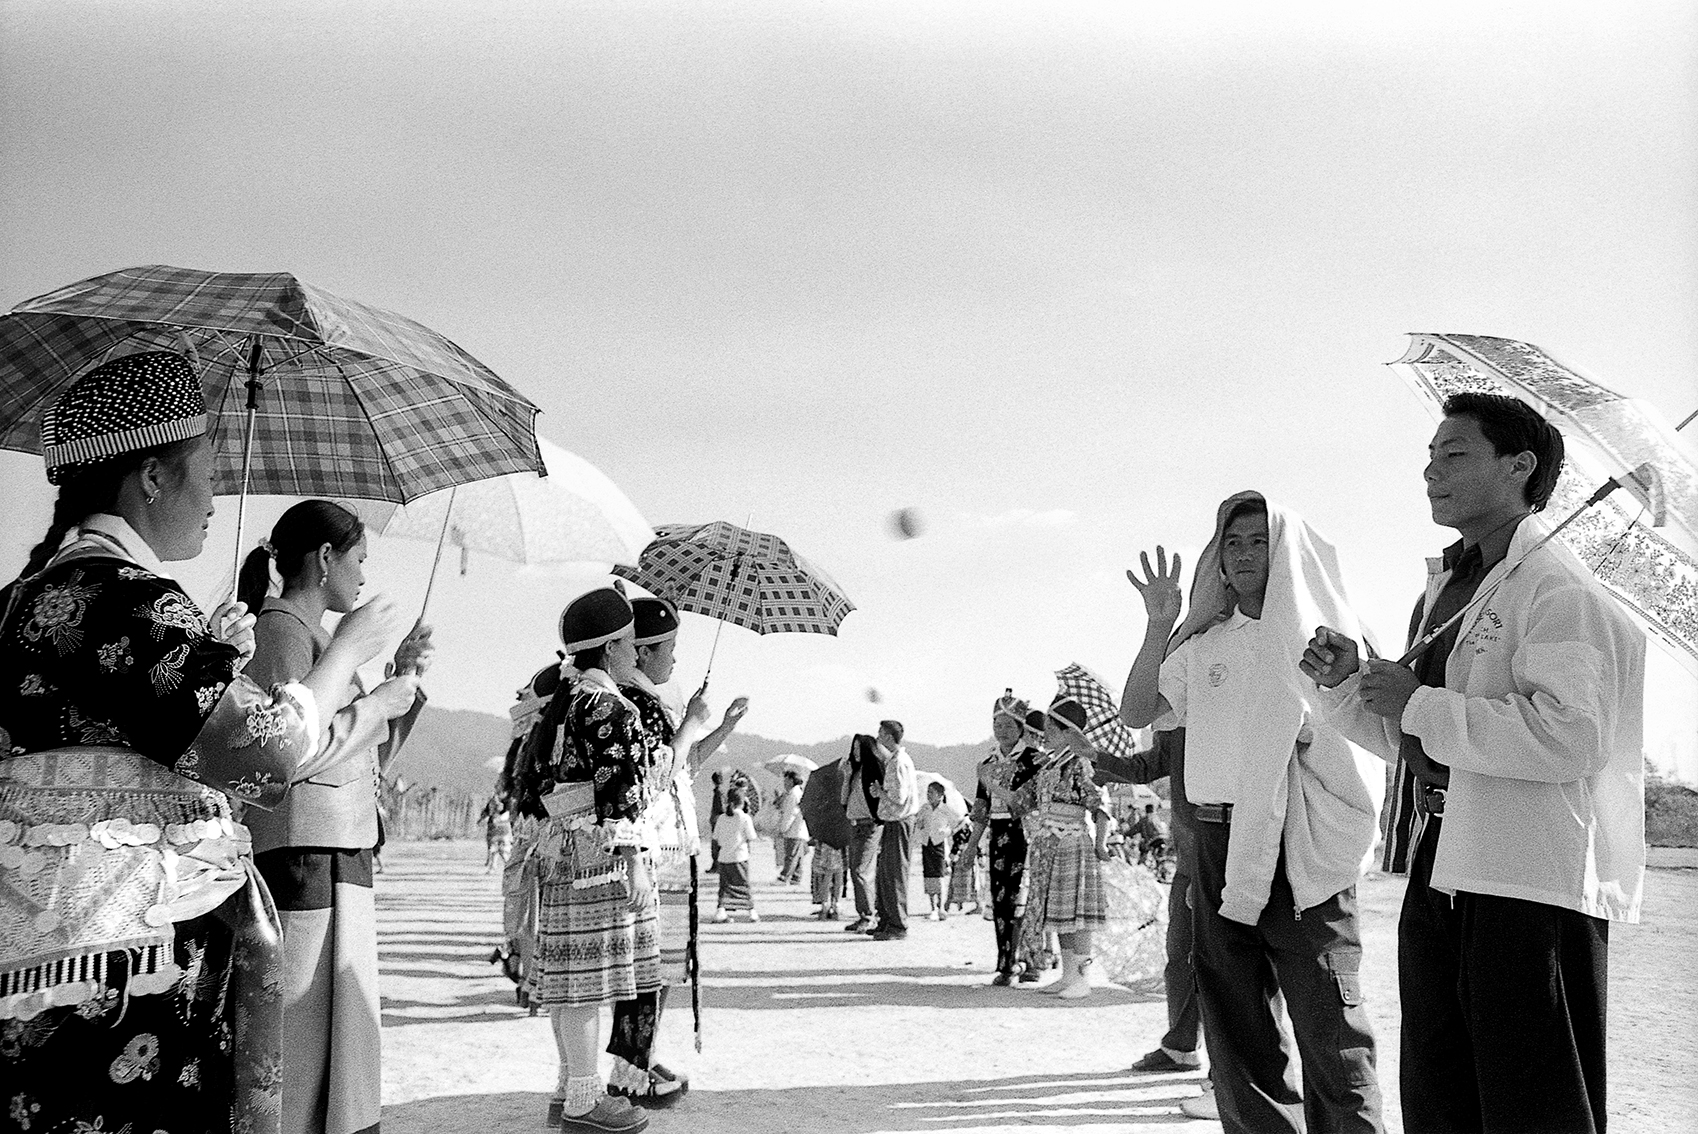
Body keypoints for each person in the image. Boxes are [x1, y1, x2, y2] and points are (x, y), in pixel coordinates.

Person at [0, 351, 410, 1134]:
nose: (218, 499)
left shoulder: (21, 601)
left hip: (34, 953)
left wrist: (207, 655)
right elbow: (264, 756)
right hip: (125, 963)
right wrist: (349, 655)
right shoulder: (132, 600)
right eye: (209, 472)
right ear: (154, 477)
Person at [1302, 393, 1644, 1134]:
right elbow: (1420, 747)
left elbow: (1571, 737)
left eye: (1454, 454)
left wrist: (1419, 703)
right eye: (1429, 456)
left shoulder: (1561, 588)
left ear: (1521, 466)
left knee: (1531, 1102)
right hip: (1445, 864)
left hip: (1527, 882)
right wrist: (1351, 691)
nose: (1431, 471)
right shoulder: (1461, 590)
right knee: (1441, 1090)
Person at [1123, 492, 1384, 1134]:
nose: (1242, 554)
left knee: (1329, 1026)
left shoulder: (1327, 641)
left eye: (1257, 540)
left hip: (1298, 844)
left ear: (1286, 550)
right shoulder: (1206, 643)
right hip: (1214, 845)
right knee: (1238, 1034)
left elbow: (1365, 742)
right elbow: (1137, 712)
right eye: (1231, 542)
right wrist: (1161, 624)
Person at [238, 499, 434, 1134]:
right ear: (325, 559)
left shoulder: (317, 639)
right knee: (302, 1031)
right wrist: (376, 702)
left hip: (335, 847)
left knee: (334, 1026)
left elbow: (359, 757)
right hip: (301, 851)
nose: (363, 575)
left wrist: (399, 686)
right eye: (359, 560)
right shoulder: (282, 634)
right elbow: (288, 755)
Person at [512, 586, 658, 1134]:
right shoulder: (609, 706)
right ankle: (582, 1098)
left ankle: (568, 1084)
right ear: (615, 647)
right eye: (629, 642)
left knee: (570, 975)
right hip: (596, 857)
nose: (634, 653)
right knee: (585, 983)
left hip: (559, 850)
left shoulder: (567, 701)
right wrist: (635, 860)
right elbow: (620, 790)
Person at [607, 595, 744, 1107]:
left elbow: (681, 767)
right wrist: (690, 722)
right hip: (652, 849)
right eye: (668, 648)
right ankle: (628, 1068)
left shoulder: (649, 701)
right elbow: (649, 778)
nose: (674, 660)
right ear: (640, 652)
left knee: (663, 967)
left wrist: (719, 725)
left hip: (670, 846)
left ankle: (640, 1055)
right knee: (646, 970)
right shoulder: (633, 703)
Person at [968, 691, 1046, 983]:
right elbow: (981, 809)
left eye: (1008, 724)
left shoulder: (1033, 759)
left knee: (1024, 898)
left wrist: (988, 779)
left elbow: (1023, 802)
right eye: (997, 724)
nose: (1002, 730)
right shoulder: (987, 761)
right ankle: (1006, 962)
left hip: (1026, 834)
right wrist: (971, 846)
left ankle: (1026, 959)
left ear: (1021, 727)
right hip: (997, 834)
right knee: (1000, 899)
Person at [867, 719, 920, 940]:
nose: (878, 737)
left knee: (895, 873)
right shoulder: (896, 761)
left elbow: (899, 797)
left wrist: (880, 792)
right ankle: (887, 920)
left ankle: (898, 924)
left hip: (899, 822)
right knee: (885, 874)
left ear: (890, 736)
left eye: (881, 733)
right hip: (893, 822)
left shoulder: (898, 762)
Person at [838, 732, 884, 931]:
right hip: (855, 824)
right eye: (853, 748)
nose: (855, 752)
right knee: (855, 870)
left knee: (861, 872)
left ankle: (869, 915)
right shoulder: (855, 772)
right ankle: (863, 914)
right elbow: (843, 801)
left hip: (869, 825)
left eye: (859, 748)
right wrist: (847, 776)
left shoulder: (874, 769)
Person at [713, 785, 759, 922]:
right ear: (743, 801)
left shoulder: (721, 818)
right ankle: (751, 911)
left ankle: (721, 911)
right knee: (743, 884)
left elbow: (716, 838)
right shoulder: (745, 818)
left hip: (724, 857)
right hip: (740, 856)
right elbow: (751, 836)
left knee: (725, 886)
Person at [917, 780, 955, 920]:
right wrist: (920, 829)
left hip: (939, 843)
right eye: (927, 792)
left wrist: (945, 832)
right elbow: (917, 822)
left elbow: (955, 824)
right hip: (927, 843)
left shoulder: (945, 809)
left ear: (940, 795)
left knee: (940, 875)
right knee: (928, 875)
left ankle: (941, 907)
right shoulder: (924, 808)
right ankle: (932, 907)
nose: (928, 795)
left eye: (931, 793)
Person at [776, 768, 810, 884]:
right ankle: (796, 877)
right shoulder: (796, 793)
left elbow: (790, 814)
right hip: (799, 830)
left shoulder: (793, 795)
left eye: (786, 781)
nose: (784, 783)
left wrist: (782, 828)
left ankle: (784, 876)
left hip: (794, 830)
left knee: (791, 855)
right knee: (798, 856)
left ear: (791, 781)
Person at [810, 836, 844, 919]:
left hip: (824, 845)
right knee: (839, 875)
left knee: (825, 877)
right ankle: (837, 904)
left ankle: (825, 904)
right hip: (841, 844)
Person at [482, 791, 514, 872]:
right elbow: (487, 812)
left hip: (503, 829)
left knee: (502, 850)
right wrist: (483, 818)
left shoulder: (508, 802)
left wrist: (498, 818)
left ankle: (509, 866)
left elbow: (508, 813)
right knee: (494, 849)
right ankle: (493, 866)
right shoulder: (492, 802)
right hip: (494, 829)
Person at [706, 770, 725, 873]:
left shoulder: (719, 792)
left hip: (717, 820)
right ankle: (716, 864)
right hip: (717, 820)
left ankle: (716, 865)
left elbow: (720, 807)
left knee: (716, 843)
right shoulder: (719, 791)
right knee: (716, 843)